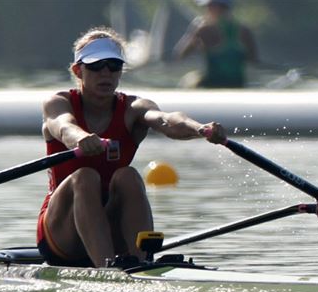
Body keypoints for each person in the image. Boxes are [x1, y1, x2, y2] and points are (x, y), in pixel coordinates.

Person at [37, 26, 226, 268]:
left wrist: (200, 128)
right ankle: (108, 268)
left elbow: (166, 120)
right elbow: (63, 126)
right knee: (85, 177)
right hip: (61, 236)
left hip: (111, 225)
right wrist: (80, 138)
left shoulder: (133, 107)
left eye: (113, 66)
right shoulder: (58, 102)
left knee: (128, 176)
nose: (105, 73)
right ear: (78, 70)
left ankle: (139, 263)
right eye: (96, 66)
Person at [173, 0, 258, 88]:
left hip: (213, 82)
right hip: (238, 83)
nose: (207, 11)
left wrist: (194, 34)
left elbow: (180, 54)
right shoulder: (244, 30)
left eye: (208, 7)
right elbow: (254, 60)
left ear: (216, 8)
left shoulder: (204, 30)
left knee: (188, 80)